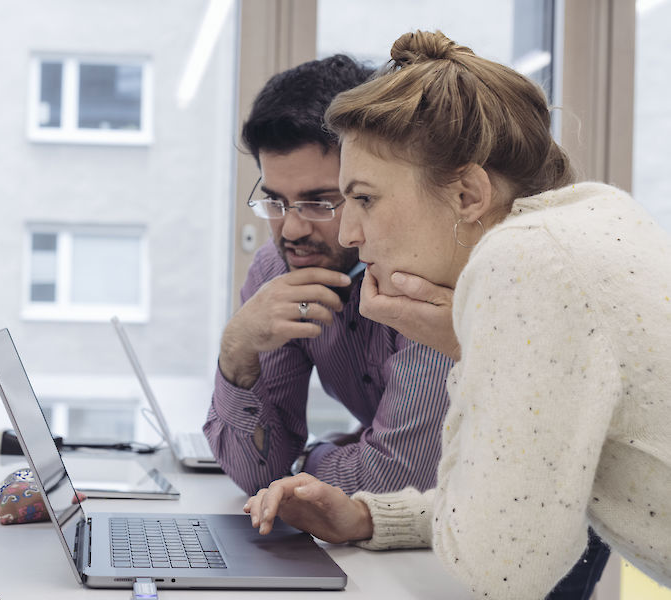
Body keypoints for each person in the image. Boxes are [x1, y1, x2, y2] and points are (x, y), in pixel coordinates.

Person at [244, 30, 671, 599]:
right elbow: (524, 496)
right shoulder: (594, 213)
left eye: (364, 199)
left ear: (468, 194)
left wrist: (470, 354)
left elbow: (501, 567)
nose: (348, 233)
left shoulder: (522, 259)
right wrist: (369, 518)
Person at [203, 54, 454, 497]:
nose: (293, 229)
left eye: (320, 202)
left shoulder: (425, 274)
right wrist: (236, 347)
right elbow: (257, 474)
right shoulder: (276, 269)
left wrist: (304, 463)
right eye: (275, 202)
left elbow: (394, 479)